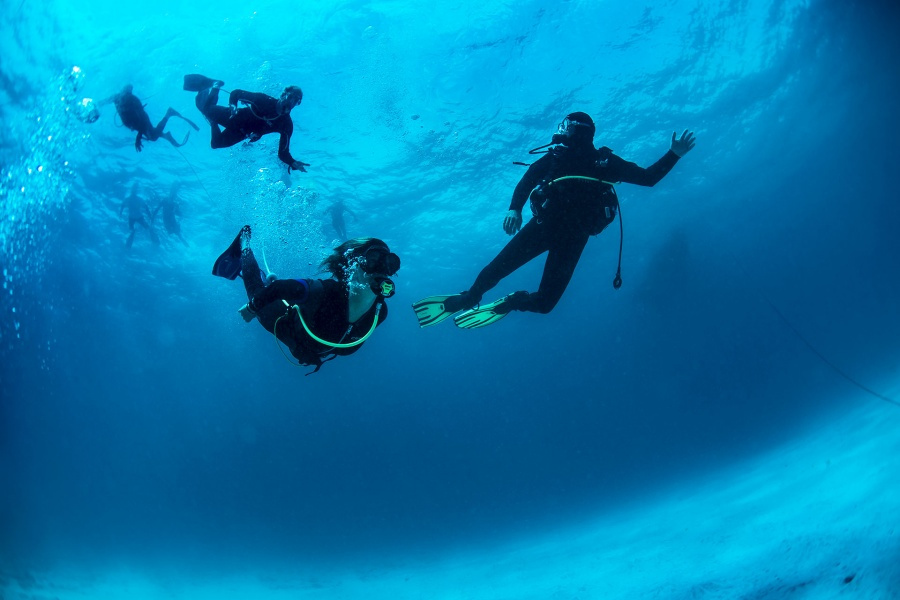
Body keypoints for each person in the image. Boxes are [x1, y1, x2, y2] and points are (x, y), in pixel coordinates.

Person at [413, 112, 696, 329]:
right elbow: (528, 180)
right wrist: (514, 209)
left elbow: (648, 178)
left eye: (565, 126)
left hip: (574, 238)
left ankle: (513, 301)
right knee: (495, 270)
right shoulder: (554, 158)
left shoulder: (604, 162)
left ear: (578, 130)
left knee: (546, 304)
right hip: (543, 227)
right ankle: (469, 297)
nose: (559, 130)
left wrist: (674, 155)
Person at [212, 226, 400, 373]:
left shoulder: (379, 313)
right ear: (352, 262)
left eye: (388, 263)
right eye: (373, 258)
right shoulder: (323, 291)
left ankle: (266, 281)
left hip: (307, 347)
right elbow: (279, 289)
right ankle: (244, 246)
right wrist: (251, 308)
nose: (380, 268)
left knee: (274, 290)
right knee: (257, 292)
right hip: (284, 323)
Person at [183, 74, 309, 173]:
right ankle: (216, 86)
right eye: (292, 97)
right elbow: (236, 93)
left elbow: (283, 153)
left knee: (215, 144)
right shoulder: (264, 100)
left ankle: (213, 122)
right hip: (234, 116)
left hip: (242, 133)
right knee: (206, 109)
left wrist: (292, 162)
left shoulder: (286, 125)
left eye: (297, 101)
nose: (292, 102)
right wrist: (233, 105)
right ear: (283, 94)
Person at [101, 84, 199, 152]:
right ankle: (165, 130)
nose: (129, 92)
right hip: (136, 123)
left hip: (141, 121)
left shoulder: (126, 98)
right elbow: (103, 102)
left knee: (152, 136)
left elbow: (141, 122)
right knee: (152, 135)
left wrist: (138, 137)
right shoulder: (126, 98)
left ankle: (168, 116)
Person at [120, 183, 159, 249]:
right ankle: (131, 239)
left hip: (137, 217)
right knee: (135, 230)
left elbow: (123, 206)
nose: (134, 191)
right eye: (133, 190)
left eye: (134, 190)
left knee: (141, 229)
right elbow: (123, 206)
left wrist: (120, 213)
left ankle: (153, 237)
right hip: (134, 218)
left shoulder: (135, 199)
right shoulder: (132, 199)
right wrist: (149, 215)